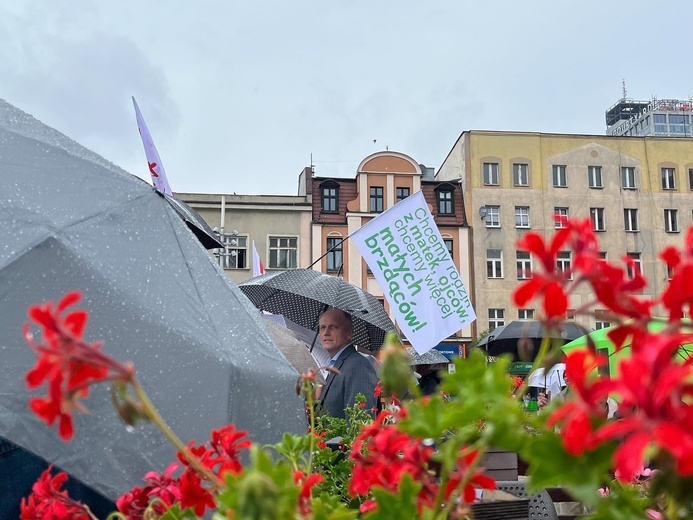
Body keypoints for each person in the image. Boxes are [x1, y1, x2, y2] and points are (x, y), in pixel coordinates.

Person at [316, 308, 379, 419]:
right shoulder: (334, 365)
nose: (326, 333)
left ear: (349, 333)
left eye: (333, 327)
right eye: (322, 328)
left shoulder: (358, 366)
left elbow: (359, 422)